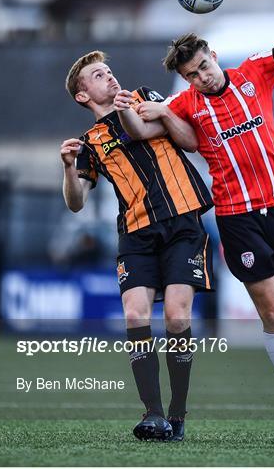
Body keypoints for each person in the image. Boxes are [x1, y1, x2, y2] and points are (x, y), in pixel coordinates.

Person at [127, 0, 274, 444]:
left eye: (204, 67)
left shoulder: (257, 73)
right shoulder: (186, 105)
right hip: (237, 217)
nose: (202, 78)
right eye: (192, 75)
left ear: (214, 56)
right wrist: (131, 107)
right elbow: (145, 131)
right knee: (272, 309)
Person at [61, 51, 214, 441]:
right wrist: (67, 167)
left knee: (177, 318)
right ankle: (153, 414)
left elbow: (189, 140)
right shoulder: (89, 142)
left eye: (110, 70)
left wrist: (160, 112)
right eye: (98, 75)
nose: (109, 77)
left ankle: (177, 414)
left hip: (182, 220)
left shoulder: (144, 96)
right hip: (135, 233)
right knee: (135, 317)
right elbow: (76, 202)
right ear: (83, 95)